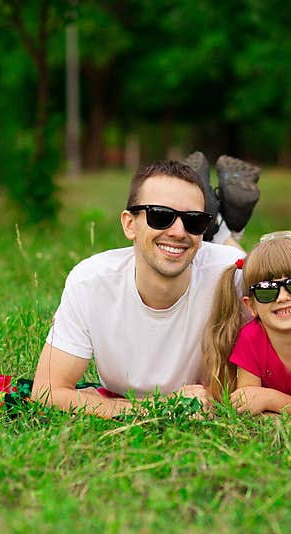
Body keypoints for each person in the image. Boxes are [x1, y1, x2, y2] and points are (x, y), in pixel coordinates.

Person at [31, 158, 257, 418]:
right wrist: (160, 407)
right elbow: (46, 391)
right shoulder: (91, 282)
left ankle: (221, 228)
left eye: (194, 221)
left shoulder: (231, 273)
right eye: (160, 216)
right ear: (129, 225)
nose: (178, 231)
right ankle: (221, 226)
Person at [202, 235, 291, 415]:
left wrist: (270, 399)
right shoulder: (250, 338)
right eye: (266, 290)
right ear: (251, 305)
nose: (283, 297)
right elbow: (248, 405)